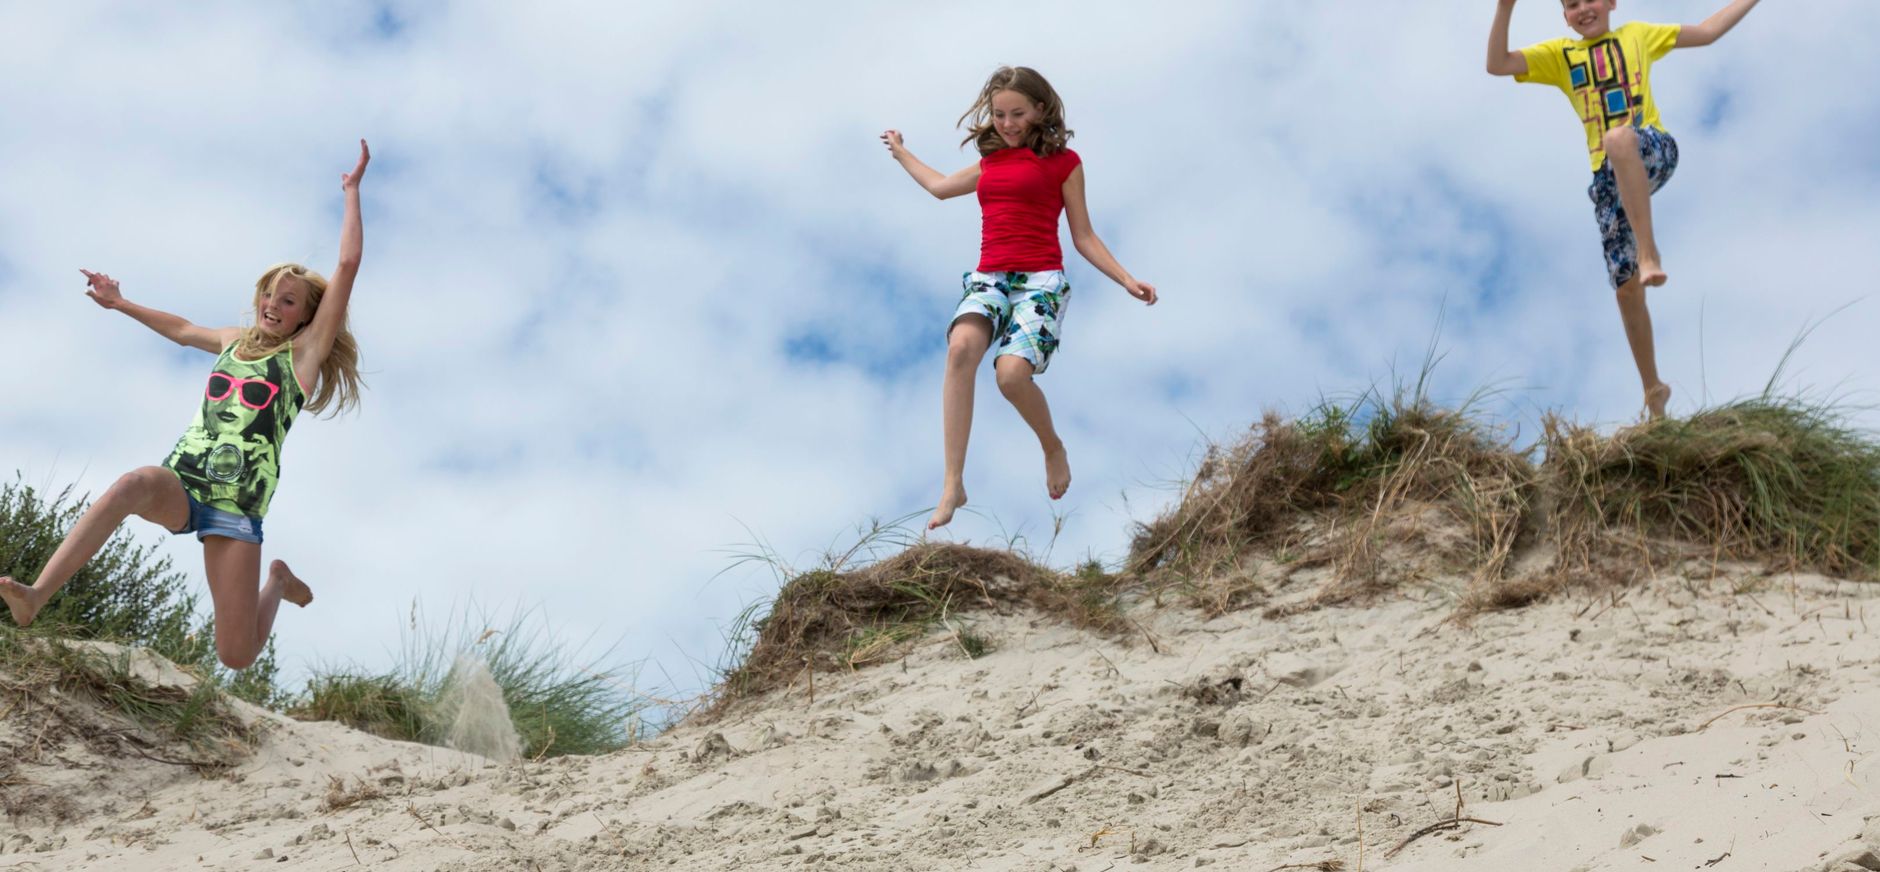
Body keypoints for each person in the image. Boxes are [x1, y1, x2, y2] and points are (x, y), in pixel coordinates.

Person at [1, 141, 371, 669]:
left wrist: (351, 191)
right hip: (185, 480)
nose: (272, 305)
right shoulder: (232, 341)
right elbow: (179, 329)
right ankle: (36, 595)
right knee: (132, 483)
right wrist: (119, 302)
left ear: (305, 317)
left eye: (288, 301)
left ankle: (277, 582)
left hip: (237, 505)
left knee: (236, 656)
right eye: (268, 294)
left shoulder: (303, 358)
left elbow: (348, 264)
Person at [882, 66, 1158, 530]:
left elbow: (1084, 236)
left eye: (1017, 114)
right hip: (990, 277)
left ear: (1040, 110)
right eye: (999, 115)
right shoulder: (991, 164)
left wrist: (1126, 279)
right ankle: (953, 484)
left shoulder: (1065, 163)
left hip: (1040, 282)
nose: (1007, 124)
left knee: (1010, 377)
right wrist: (901, 152)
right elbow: (940, 188)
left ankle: (1052, 446)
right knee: (960, 350)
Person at [1487, 0, 1760, 419]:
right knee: (1626, 289)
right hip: (1608, 181)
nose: (1583, 9)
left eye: (1590, 0)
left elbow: (1707, 32)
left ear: (1611, 2)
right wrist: (1505, 7)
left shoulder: (1638, 35)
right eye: (1572, 5)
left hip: (1651, 148)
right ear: (1565, 17)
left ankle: (1649, 253)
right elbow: (1498, 64)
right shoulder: (1560, 55)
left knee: (1617, 139)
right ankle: (1654, 392)